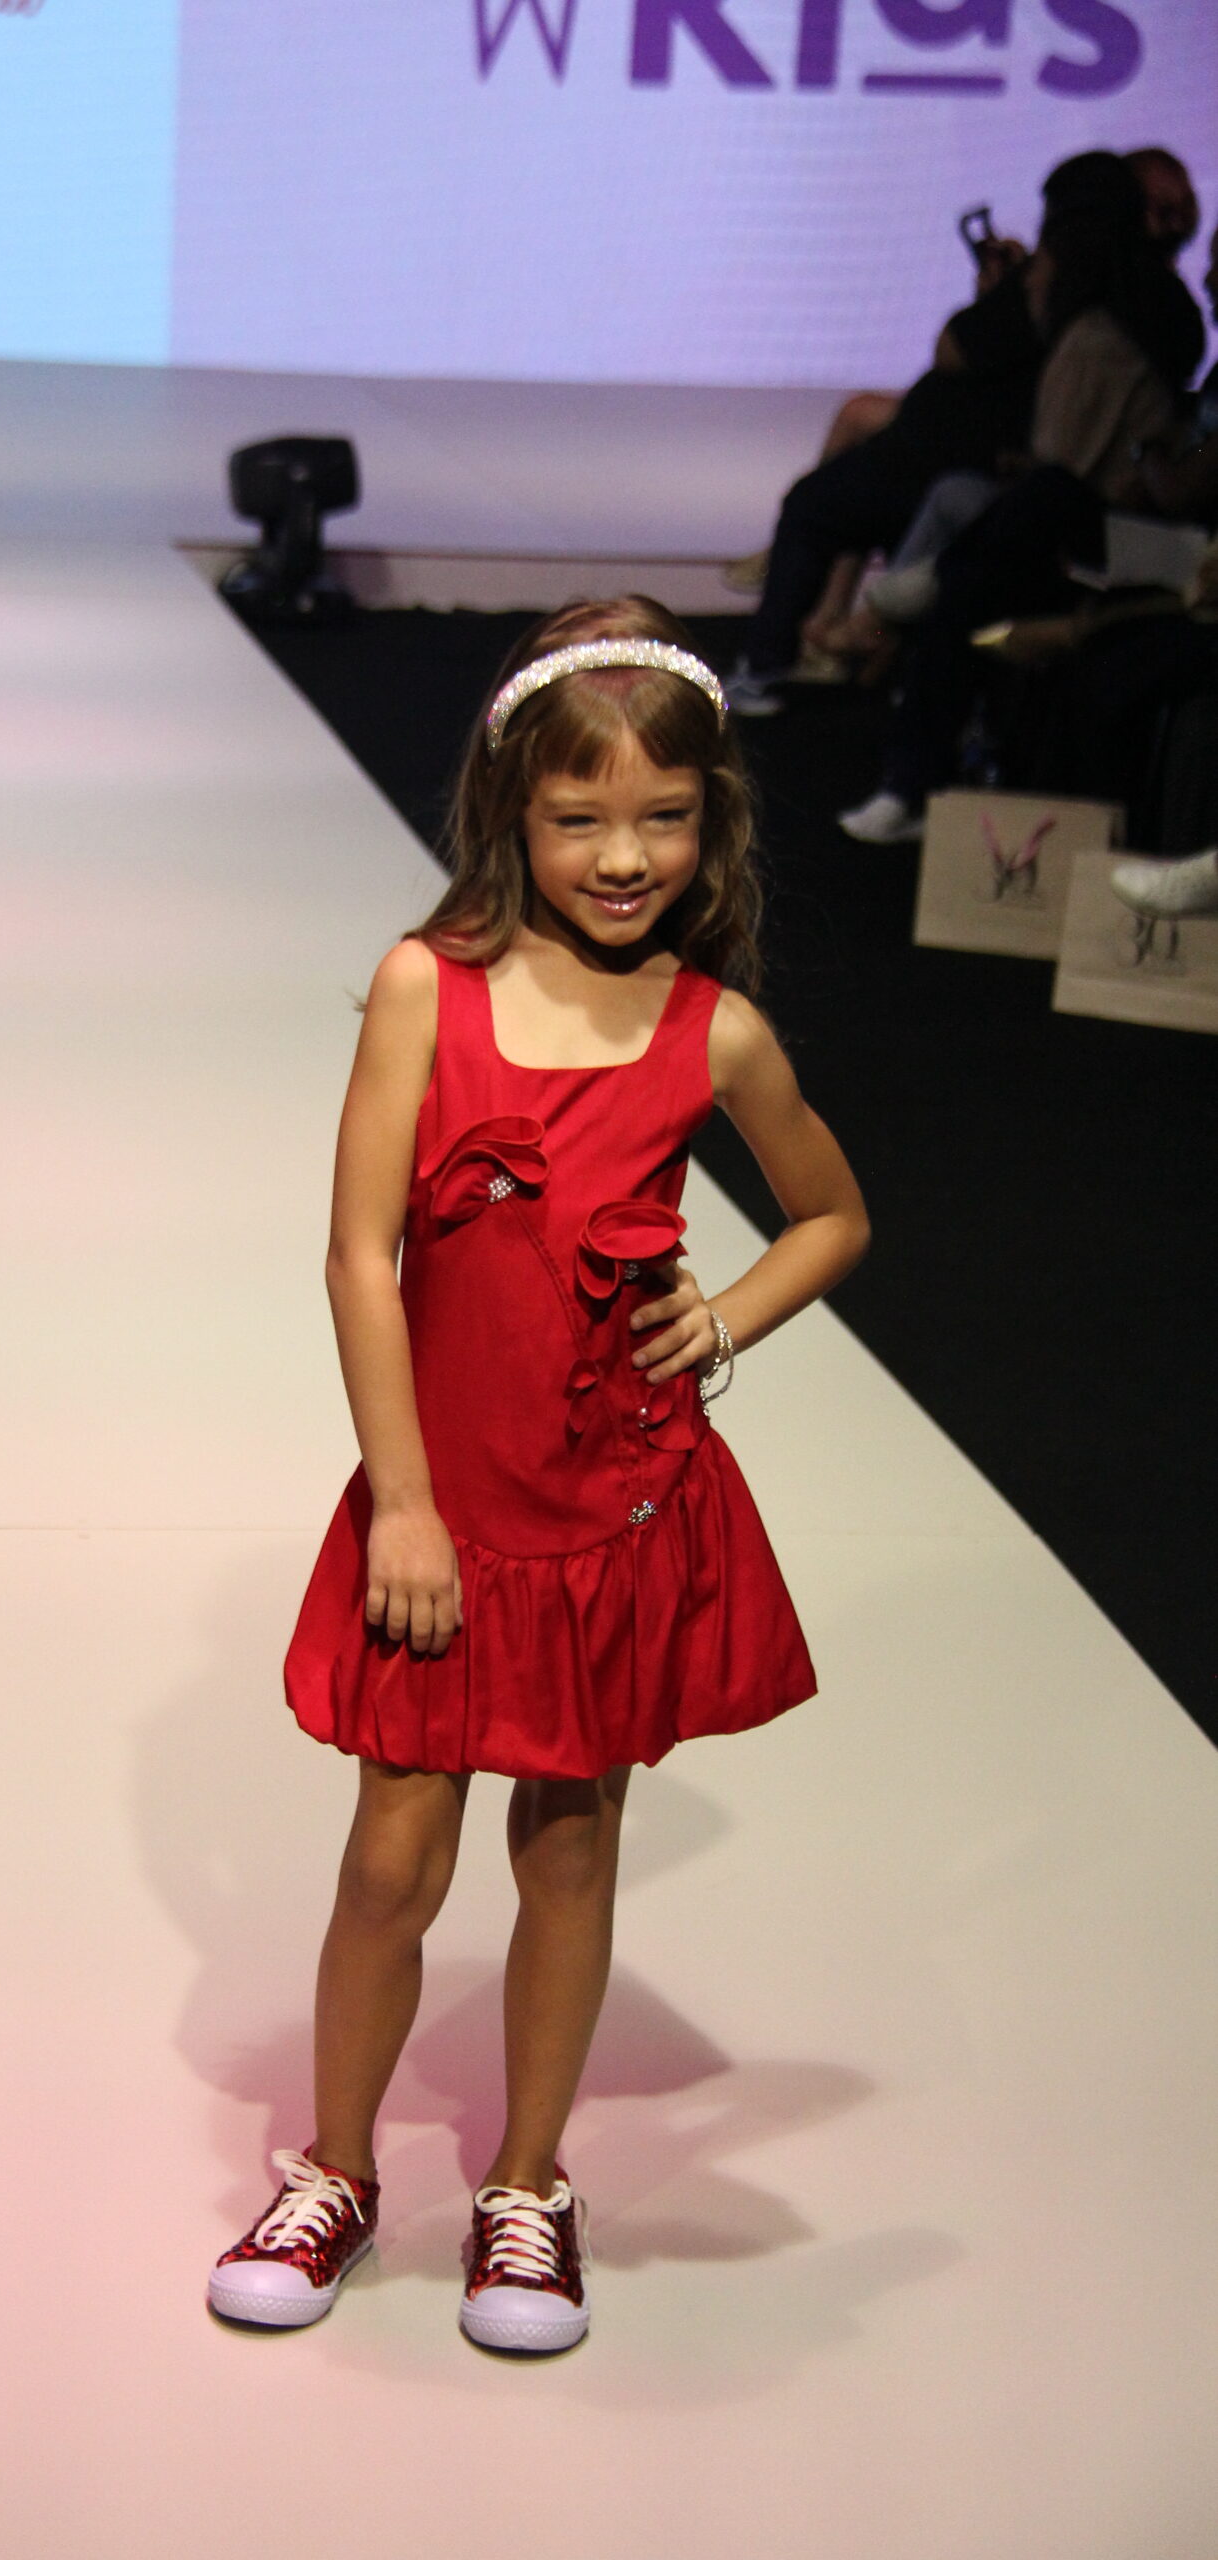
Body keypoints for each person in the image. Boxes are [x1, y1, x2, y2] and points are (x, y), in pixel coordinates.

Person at [206, 597, 870, 2354]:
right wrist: (402, 1502)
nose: (622, 856)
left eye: (662, 817)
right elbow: (358, 1258)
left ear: (710, 818)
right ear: (512, 808)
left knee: (568, 1850)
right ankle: (335, 2170)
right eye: (580, 818)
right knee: (389, 1861)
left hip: (609, 1508)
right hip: (446, 1510)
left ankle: (524, 2186)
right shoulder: (425, 989)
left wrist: (718, 1319)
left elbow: (832, 1214)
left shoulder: (709, 1031)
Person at [730, 151, 1200, 719]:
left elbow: (960, 353)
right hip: (1038, 490)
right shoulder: (1164, 307)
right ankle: (862, 641)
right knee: (890, 489)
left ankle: (786, 660)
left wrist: (1006, 293)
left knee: (822, 503)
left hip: (1013, 485)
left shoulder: (1069, 298)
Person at [840, 185, 1201, 842]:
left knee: (1005, 532)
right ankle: (910, 771)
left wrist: (1150, 462)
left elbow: (1128, 473)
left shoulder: (1098, 337)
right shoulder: (1143, 323)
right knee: (973, 537)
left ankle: (910, 777)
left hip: (1132, 544)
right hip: (1109, 531)